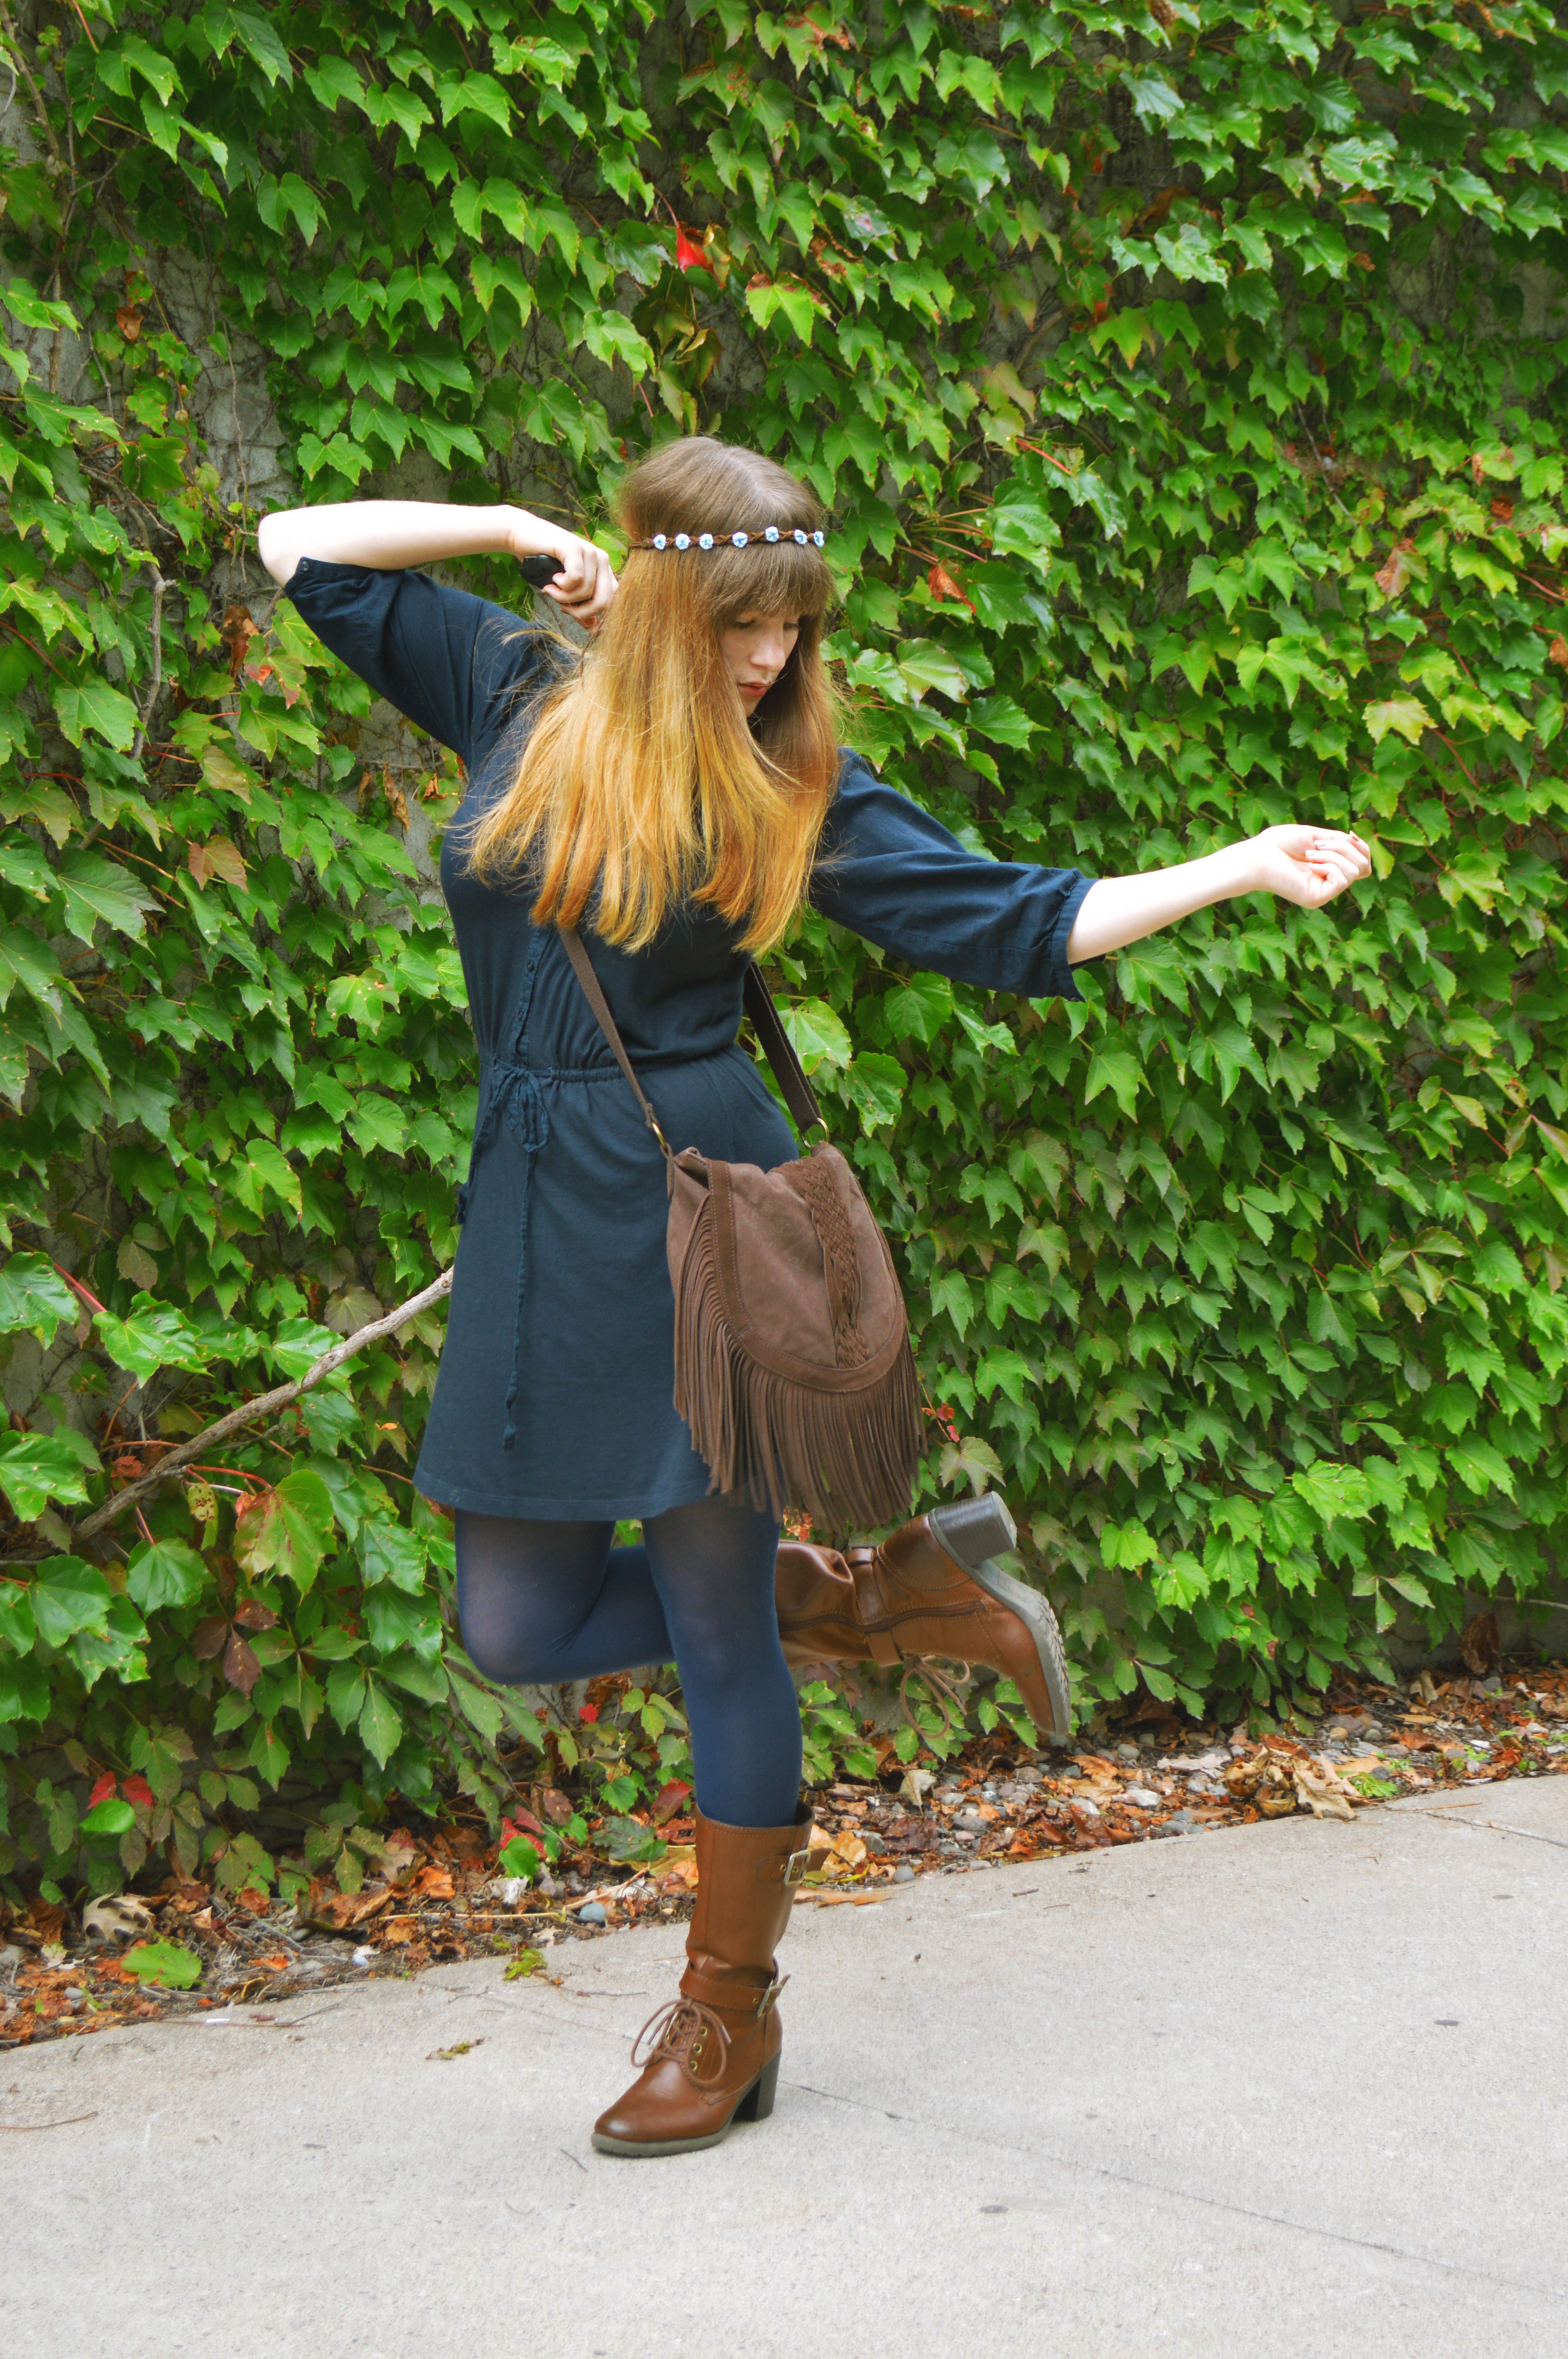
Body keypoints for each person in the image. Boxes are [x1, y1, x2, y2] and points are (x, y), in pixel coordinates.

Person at [257, 437, 1369, 2158]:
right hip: (537, 1197)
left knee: (712, 1624)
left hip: (701, 1213)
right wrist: (512, 526)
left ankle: (727, 2011)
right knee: (511, 1625)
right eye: (740, 621)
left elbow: (1015, 919)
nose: (771, 656)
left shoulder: (787, 777)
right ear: (660, 598)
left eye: (792, 625)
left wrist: (1233, 863)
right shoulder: (513, 683)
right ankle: (859, 1595)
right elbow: (297, 545)